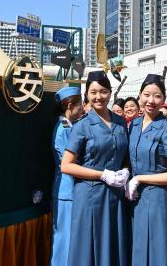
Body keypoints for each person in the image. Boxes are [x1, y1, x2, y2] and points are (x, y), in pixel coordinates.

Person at [61, 71, 130, 266]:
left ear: (110, 92)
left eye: (103, 91)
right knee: (88, 248)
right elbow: (66, 165)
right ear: (87, 95)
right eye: (93, 92)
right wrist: (102, 175)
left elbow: (124, 156)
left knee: (113, 245)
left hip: (115, 195)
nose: (98, 97)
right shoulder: (82, 126)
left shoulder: (120, 122)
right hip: (90, 195)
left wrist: (125, 170)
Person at [126, 74, 167, 266]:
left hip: (157, 199)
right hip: (134, 198)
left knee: (156, 251)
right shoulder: (133, 125)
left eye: (157, 96)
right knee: (137, 248)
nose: (151, 101)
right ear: (139, 96)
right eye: (147, 95)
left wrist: (139, 178)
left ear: (164, 100)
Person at [50, 86, 84, 266]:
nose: (83, 108)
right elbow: (70, 162)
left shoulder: (69, 126)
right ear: (70, 105)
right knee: (64, 238)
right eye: (80, 104)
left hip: (69, 189)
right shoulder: (63, 128)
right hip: (66, 191)